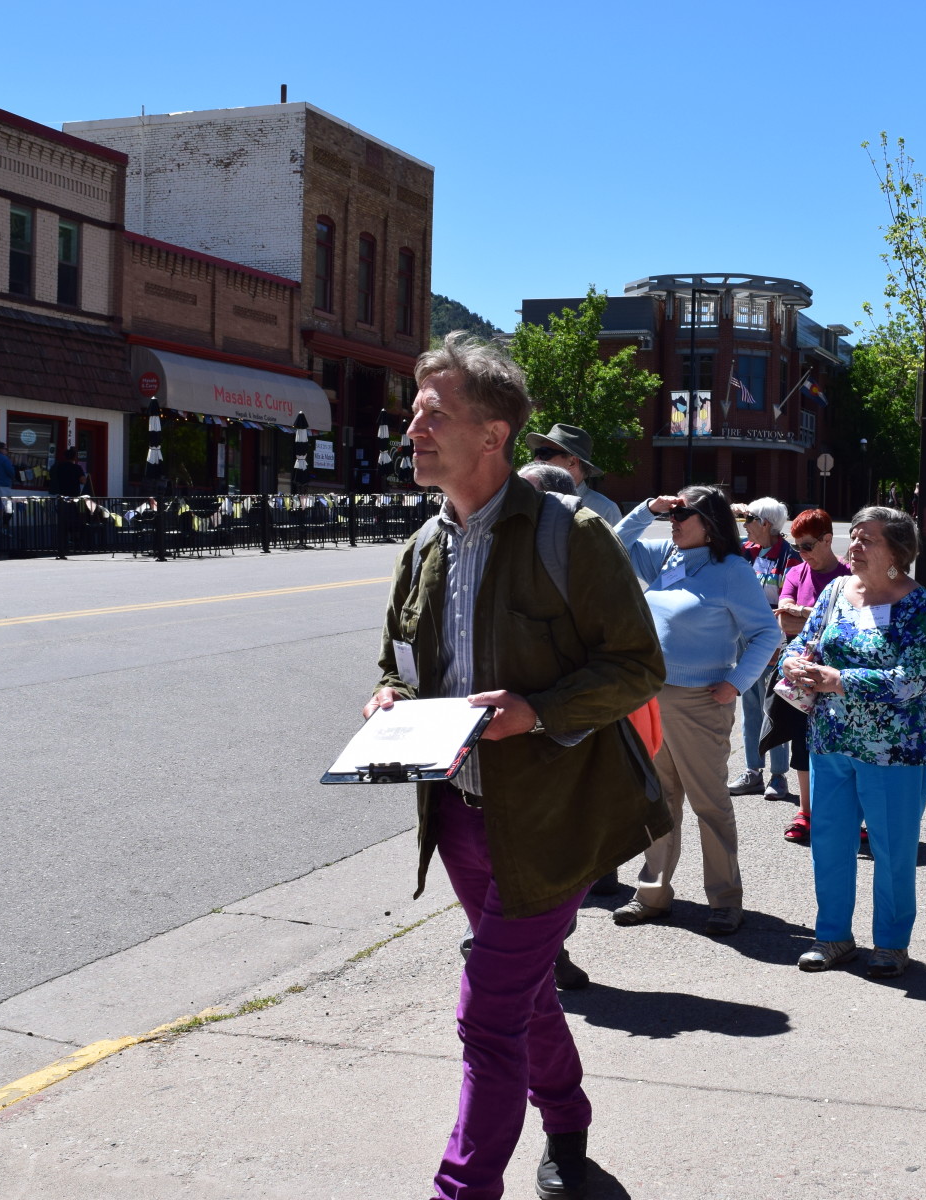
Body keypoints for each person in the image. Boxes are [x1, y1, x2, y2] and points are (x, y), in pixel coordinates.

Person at [367, 332, 667, 1200]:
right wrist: (389, 697)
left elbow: (638, 666)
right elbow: (397, 662)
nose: (413, 429)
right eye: (414, 412)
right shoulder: (423, 547)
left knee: (488, 1009)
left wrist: (537, 710)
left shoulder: (572, 536)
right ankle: (567, 1125)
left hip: (556, 819)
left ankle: (463, 1190)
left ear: (493, 434)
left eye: (434, 414)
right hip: (461, 818)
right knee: (525, 993)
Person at [612, 486, 783, 936]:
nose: (673, 520)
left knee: (709, 802)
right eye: (671, 513)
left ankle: (725, 900)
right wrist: (647, 509)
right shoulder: (666, 555)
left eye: (681, 513)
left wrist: (735, 683)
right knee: (658, 799)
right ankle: (652, 894)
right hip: (651, 697)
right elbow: (611, 545)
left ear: (709, 524)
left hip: (700, 703)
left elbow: (767, 634)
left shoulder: (732, 571)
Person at [781, 507, 926, 978]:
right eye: (853, 536)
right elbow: (804, 642)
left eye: (867, 539)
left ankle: (891, 944)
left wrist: (840, 680)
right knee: (829, 844)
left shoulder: (917, 605)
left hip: (893, 750)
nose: (854, 546)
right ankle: (833, 936)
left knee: (892, 850)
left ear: (896, 552)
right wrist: (792, 661)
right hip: (830, 740)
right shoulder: (835, 591)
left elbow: (914, 679)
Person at [774, 509, 849, 844]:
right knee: (801, 742)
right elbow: (784, 622)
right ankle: (805, 812)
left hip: (837, 674)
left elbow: (849, 624)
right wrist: (817, 613)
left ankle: (848, 815)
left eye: (807, 545)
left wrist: (803, 612)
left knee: (843, 746)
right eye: (797, 546)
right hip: (801, 675)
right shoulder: (796, 572)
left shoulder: (848, 576)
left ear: (827, 539)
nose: (801, 553)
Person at [729, 497, 803, 801]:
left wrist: (781, 641)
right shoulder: (745, 550)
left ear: (765, 523)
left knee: (773, 707)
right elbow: (717, 541)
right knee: (749, 706)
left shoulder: (789, 557)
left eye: (749, 519)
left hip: (774, 639)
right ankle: (753, 771)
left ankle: (778, 775)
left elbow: (792, 601)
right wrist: (729, 513)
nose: (745, 525)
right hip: (743, 638)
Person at [526, 423, 622, 526]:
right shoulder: (529, 499)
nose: (536, 459)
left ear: (571, 462)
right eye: (537, 452)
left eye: (544, 453)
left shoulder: (605, 510)